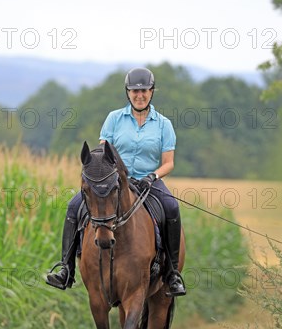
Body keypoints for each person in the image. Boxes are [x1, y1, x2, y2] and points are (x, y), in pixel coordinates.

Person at [46, 67, 186, 296]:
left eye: (144, 91)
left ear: (152, 92)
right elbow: (103, 152)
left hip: (149, 182)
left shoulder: (163, 124)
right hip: (115, 182)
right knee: (73, 206)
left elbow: (168, 162)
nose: (139, 95)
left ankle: (172, 274)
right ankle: (66, 268)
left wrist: (152, 176)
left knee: (171, 207)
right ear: (127, 92)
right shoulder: (114, 119)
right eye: (134, 91)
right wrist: (110, 175)